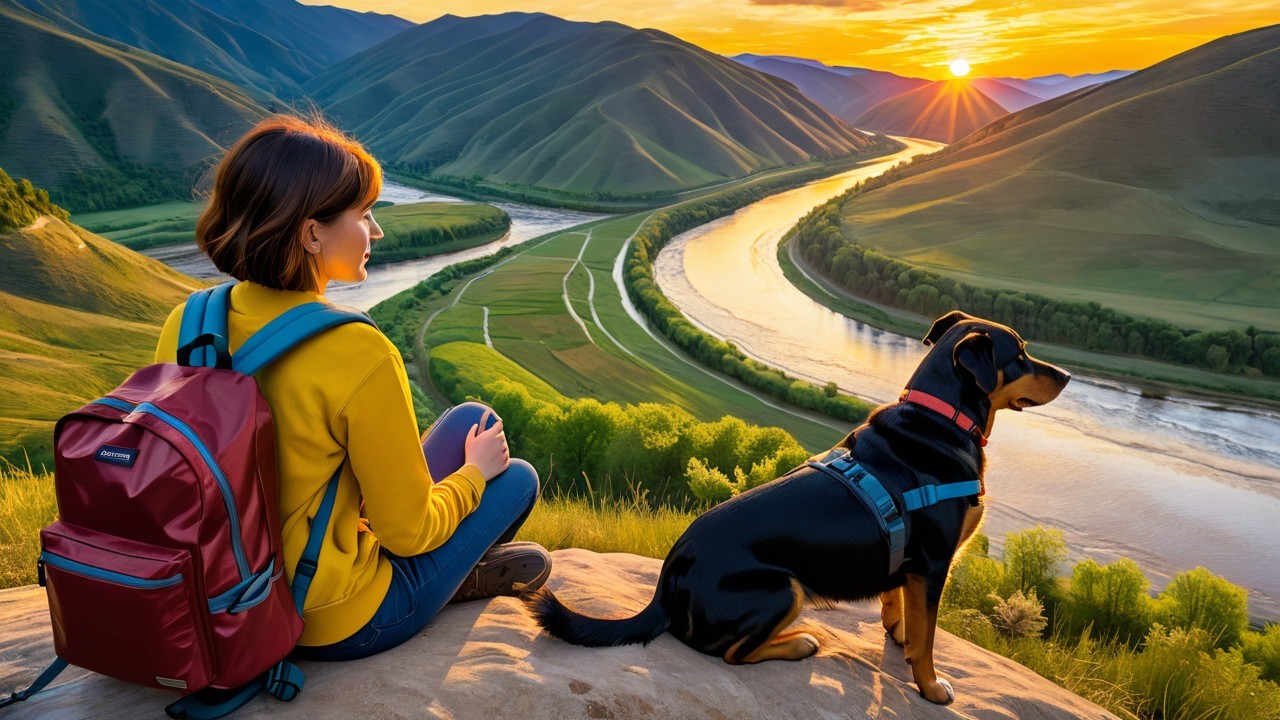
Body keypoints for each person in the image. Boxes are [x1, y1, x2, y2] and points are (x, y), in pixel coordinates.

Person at [153, 114, 550, 662]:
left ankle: (451, 566)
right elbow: (407, 534)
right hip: (329, 618)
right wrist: (474, 475)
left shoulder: (189, 323)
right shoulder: (358, 352)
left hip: (223, 591)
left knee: (467, 419)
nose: (377, 232)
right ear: (311, 231)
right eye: (364, 215)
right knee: (515, 478)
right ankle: (451, 584)